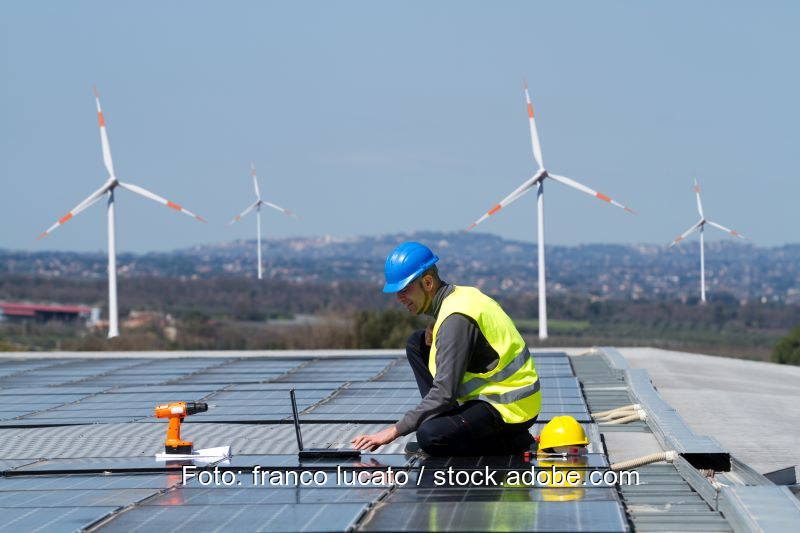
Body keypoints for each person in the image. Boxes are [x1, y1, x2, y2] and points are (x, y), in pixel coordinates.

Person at [352, 242, 541, 455]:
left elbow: (444, 393)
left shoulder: (456, 319)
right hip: (495, 399)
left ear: (428, 282)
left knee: (431, 436)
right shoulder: (457, 297)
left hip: (511, 409)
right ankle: (445, 419)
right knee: (416, 343)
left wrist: (394, 431)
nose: (398, 298)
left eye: (404, 290)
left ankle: (515, 442)